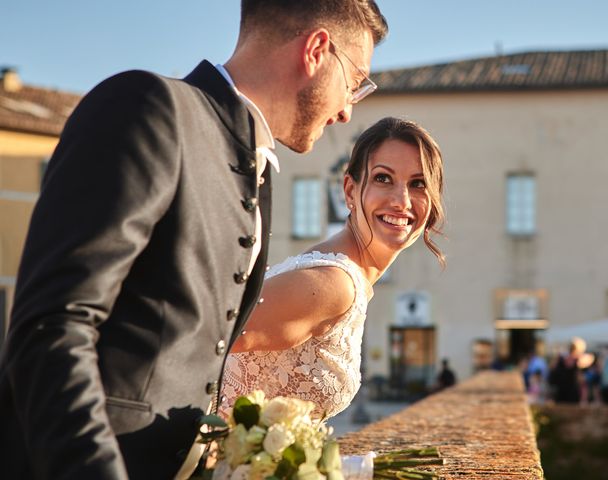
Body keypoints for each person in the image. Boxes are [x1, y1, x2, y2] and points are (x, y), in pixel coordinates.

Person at [0, 1, 388, 479]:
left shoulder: (256, 167)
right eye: (355, 82)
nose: (349, 110)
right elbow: (53, 329)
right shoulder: (146, 108)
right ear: (316, 51)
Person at [221, 116, 445, 418]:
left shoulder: (342, 275)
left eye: (418, 184)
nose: (401, 200)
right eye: (383, 178)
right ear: (350, 191)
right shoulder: (333, 284)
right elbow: (204, 337)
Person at [548, 337, 593, 404]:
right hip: (573, 393)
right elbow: (582, 381)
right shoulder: (580, 360)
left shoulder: (561, 359)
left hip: (561, 393)